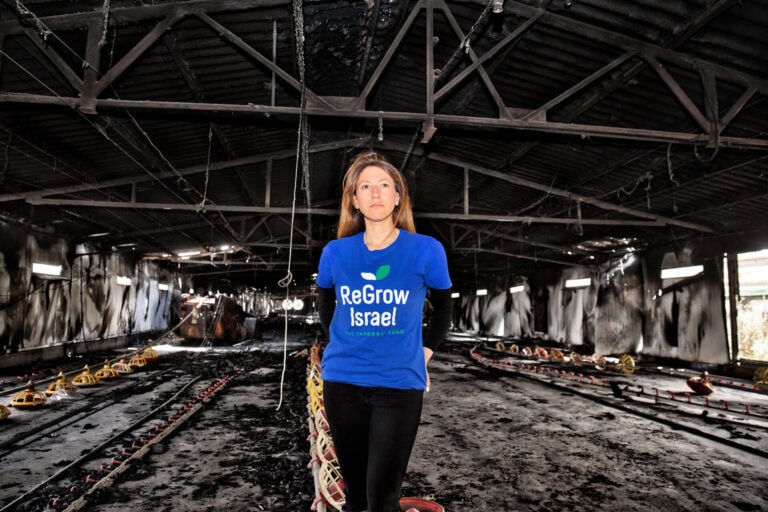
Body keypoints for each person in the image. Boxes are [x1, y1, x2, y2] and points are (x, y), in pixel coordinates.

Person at [316, 151, 452, 512]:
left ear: (397, 196)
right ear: (355, 200)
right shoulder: (335, 252)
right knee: (356, 497)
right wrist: (339, 343)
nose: (375, 193)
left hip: (397, 386)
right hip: (342, 383)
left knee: (382, 498)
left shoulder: (426, 250)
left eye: (384, 185)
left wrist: (425, 352)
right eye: (365, 186)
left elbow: (444, 309)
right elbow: (325, 301)